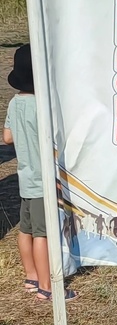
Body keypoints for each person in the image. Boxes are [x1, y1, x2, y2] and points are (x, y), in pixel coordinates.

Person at [3, 44, 77, 301]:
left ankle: (31, 276)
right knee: (43, 234)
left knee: (26, 230)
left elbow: (7, 137)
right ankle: (48, 286)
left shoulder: (15, 103)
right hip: (42, 182)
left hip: (25, 178)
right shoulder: (42, 107)